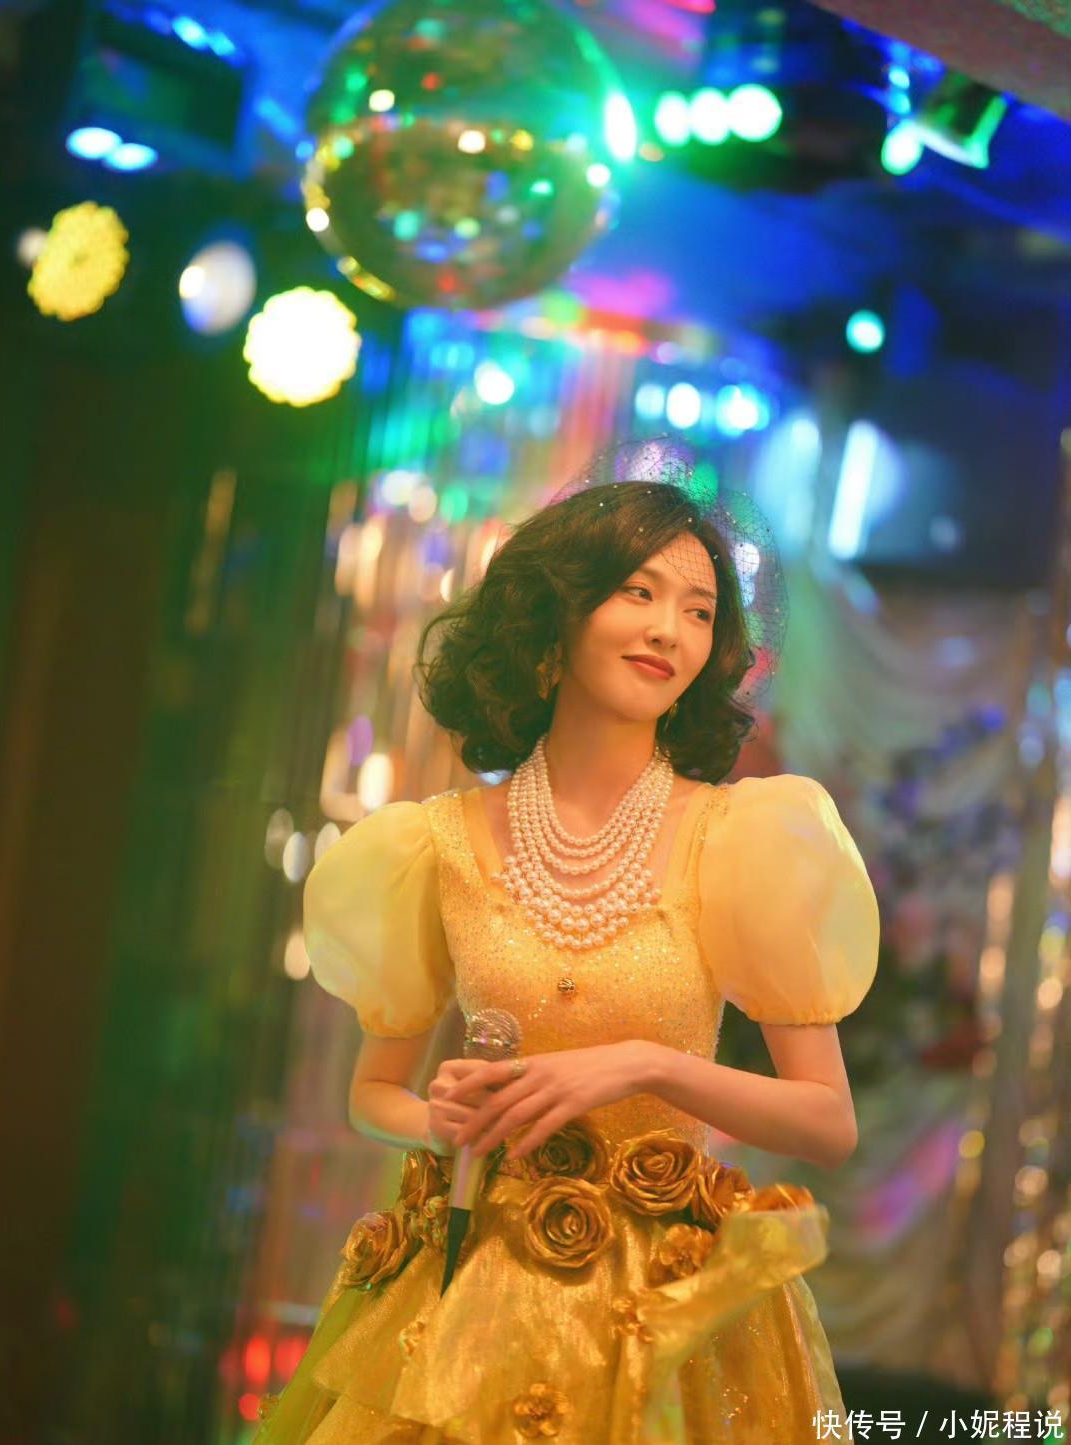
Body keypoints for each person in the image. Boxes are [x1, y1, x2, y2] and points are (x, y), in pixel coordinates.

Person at [253, 438, 880, 1443]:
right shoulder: (434, 845)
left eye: (699, 611)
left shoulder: (742, 838)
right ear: (557, 615)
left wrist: (645, 1065)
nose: (669, 628)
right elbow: (374, 1095)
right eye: (640, 592)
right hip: (464, 1301)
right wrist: (440, 1120)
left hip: (666, 1317)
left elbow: (828, 1121)